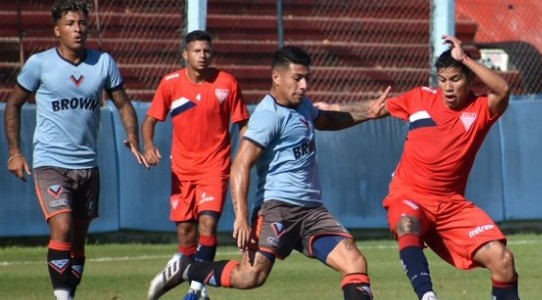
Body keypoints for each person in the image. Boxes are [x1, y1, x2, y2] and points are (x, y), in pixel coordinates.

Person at [146, 46, 389, 300]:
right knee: (250, 276)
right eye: (297, 79)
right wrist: (240, 216)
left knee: (354, 262)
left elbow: (328, 119)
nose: (304, 85)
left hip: (312, 211)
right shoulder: (267, 115)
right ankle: (187, 268)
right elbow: (240, 164)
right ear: (277, 77)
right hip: (277, 209)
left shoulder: (302, 105)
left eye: (307, 78)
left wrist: (368, 112)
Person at [3, 1, 148, 299]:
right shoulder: (39, 64)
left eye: (82, 23)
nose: (77, 29)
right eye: (70, 23)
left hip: (88, 166)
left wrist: (133, 136)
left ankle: (69, 292)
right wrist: (15, 151)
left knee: (78, 241)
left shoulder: (103, 62)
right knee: (63, 226)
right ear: (57, 30)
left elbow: (123, 104)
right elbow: (13, 104)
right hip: (50, 163)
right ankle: (62, 297)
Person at [373, 35, 519, 300]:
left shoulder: (480, 109)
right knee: (407, 224)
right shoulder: (420, 98)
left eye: (456, 79)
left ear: (470, 79)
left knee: (503, 261)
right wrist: (325, 112)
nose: (448, 87)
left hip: (451, 206)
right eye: (443, 80)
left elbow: (503, 90)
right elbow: (371, 110)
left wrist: (465, 58)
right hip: (409, 194)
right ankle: (427, 296)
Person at [141, 30, 249, 300]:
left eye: (206, 51)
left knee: (208, 225)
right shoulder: (170, 84)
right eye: (197, 51)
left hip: (215, 167)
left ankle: (196, 289)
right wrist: (149, 145)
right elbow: (150, 120)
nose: (202, 56)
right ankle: (182, 270)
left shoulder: (227, 83)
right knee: (186, 235)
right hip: (181, 171)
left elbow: (243, 125)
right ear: (185, 54)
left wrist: (244, 156)